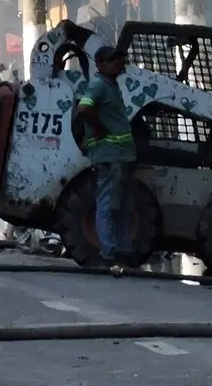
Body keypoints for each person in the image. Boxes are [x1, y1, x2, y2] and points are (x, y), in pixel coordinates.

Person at [75, 42, 136, 268]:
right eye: (111, 59)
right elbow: (84, 108)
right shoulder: (98, 85)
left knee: (123, 206)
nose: (118, 62)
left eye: (118, 58)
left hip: (121, 156)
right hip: (110, 156)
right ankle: (109, 251)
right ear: (99, 65)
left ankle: (122, 248)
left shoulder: (111, 85)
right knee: (109, 204)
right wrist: (98, 128)